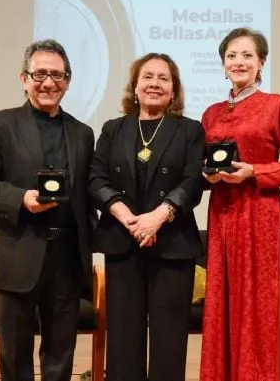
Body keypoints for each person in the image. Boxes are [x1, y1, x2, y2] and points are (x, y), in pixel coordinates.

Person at [0, 39, 97, 381]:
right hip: (15, 256)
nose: (48, 83)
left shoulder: (83, 133)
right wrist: (21, 199)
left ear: (68, 80)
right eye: (40, 74)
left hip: (66, 260)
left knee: (59, 358)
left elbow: (86, 194)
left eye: (57, 75)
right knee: (14, 357)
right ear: (23, 78)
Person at [199, 27, 280, 381]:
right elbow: (201, 162)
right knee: (221, 300)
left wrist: (254, 171)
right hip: (221, 211)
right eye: (232, 55)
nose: (239, 62)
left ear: (261, 62)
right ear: (222, 65)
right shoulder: (211, 113)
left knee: (258, 303)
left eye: (247, 55)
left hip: (260, 211)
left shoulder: (276, 104)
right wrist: (208, 176)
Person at [88, 52, 206, 381]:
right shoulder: (113, 129)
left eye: (163, 78)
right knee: (124, 340)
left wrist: (158, 217)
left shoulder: (190, 130)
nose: (154, 83)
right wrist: (128, 218)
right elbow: (96, 179)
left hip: (173, 246)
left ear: (174, 90)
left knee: (170, 342)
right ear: (135, 87)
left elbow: (194, 181)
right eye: (147, 77)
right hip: (122, 244)